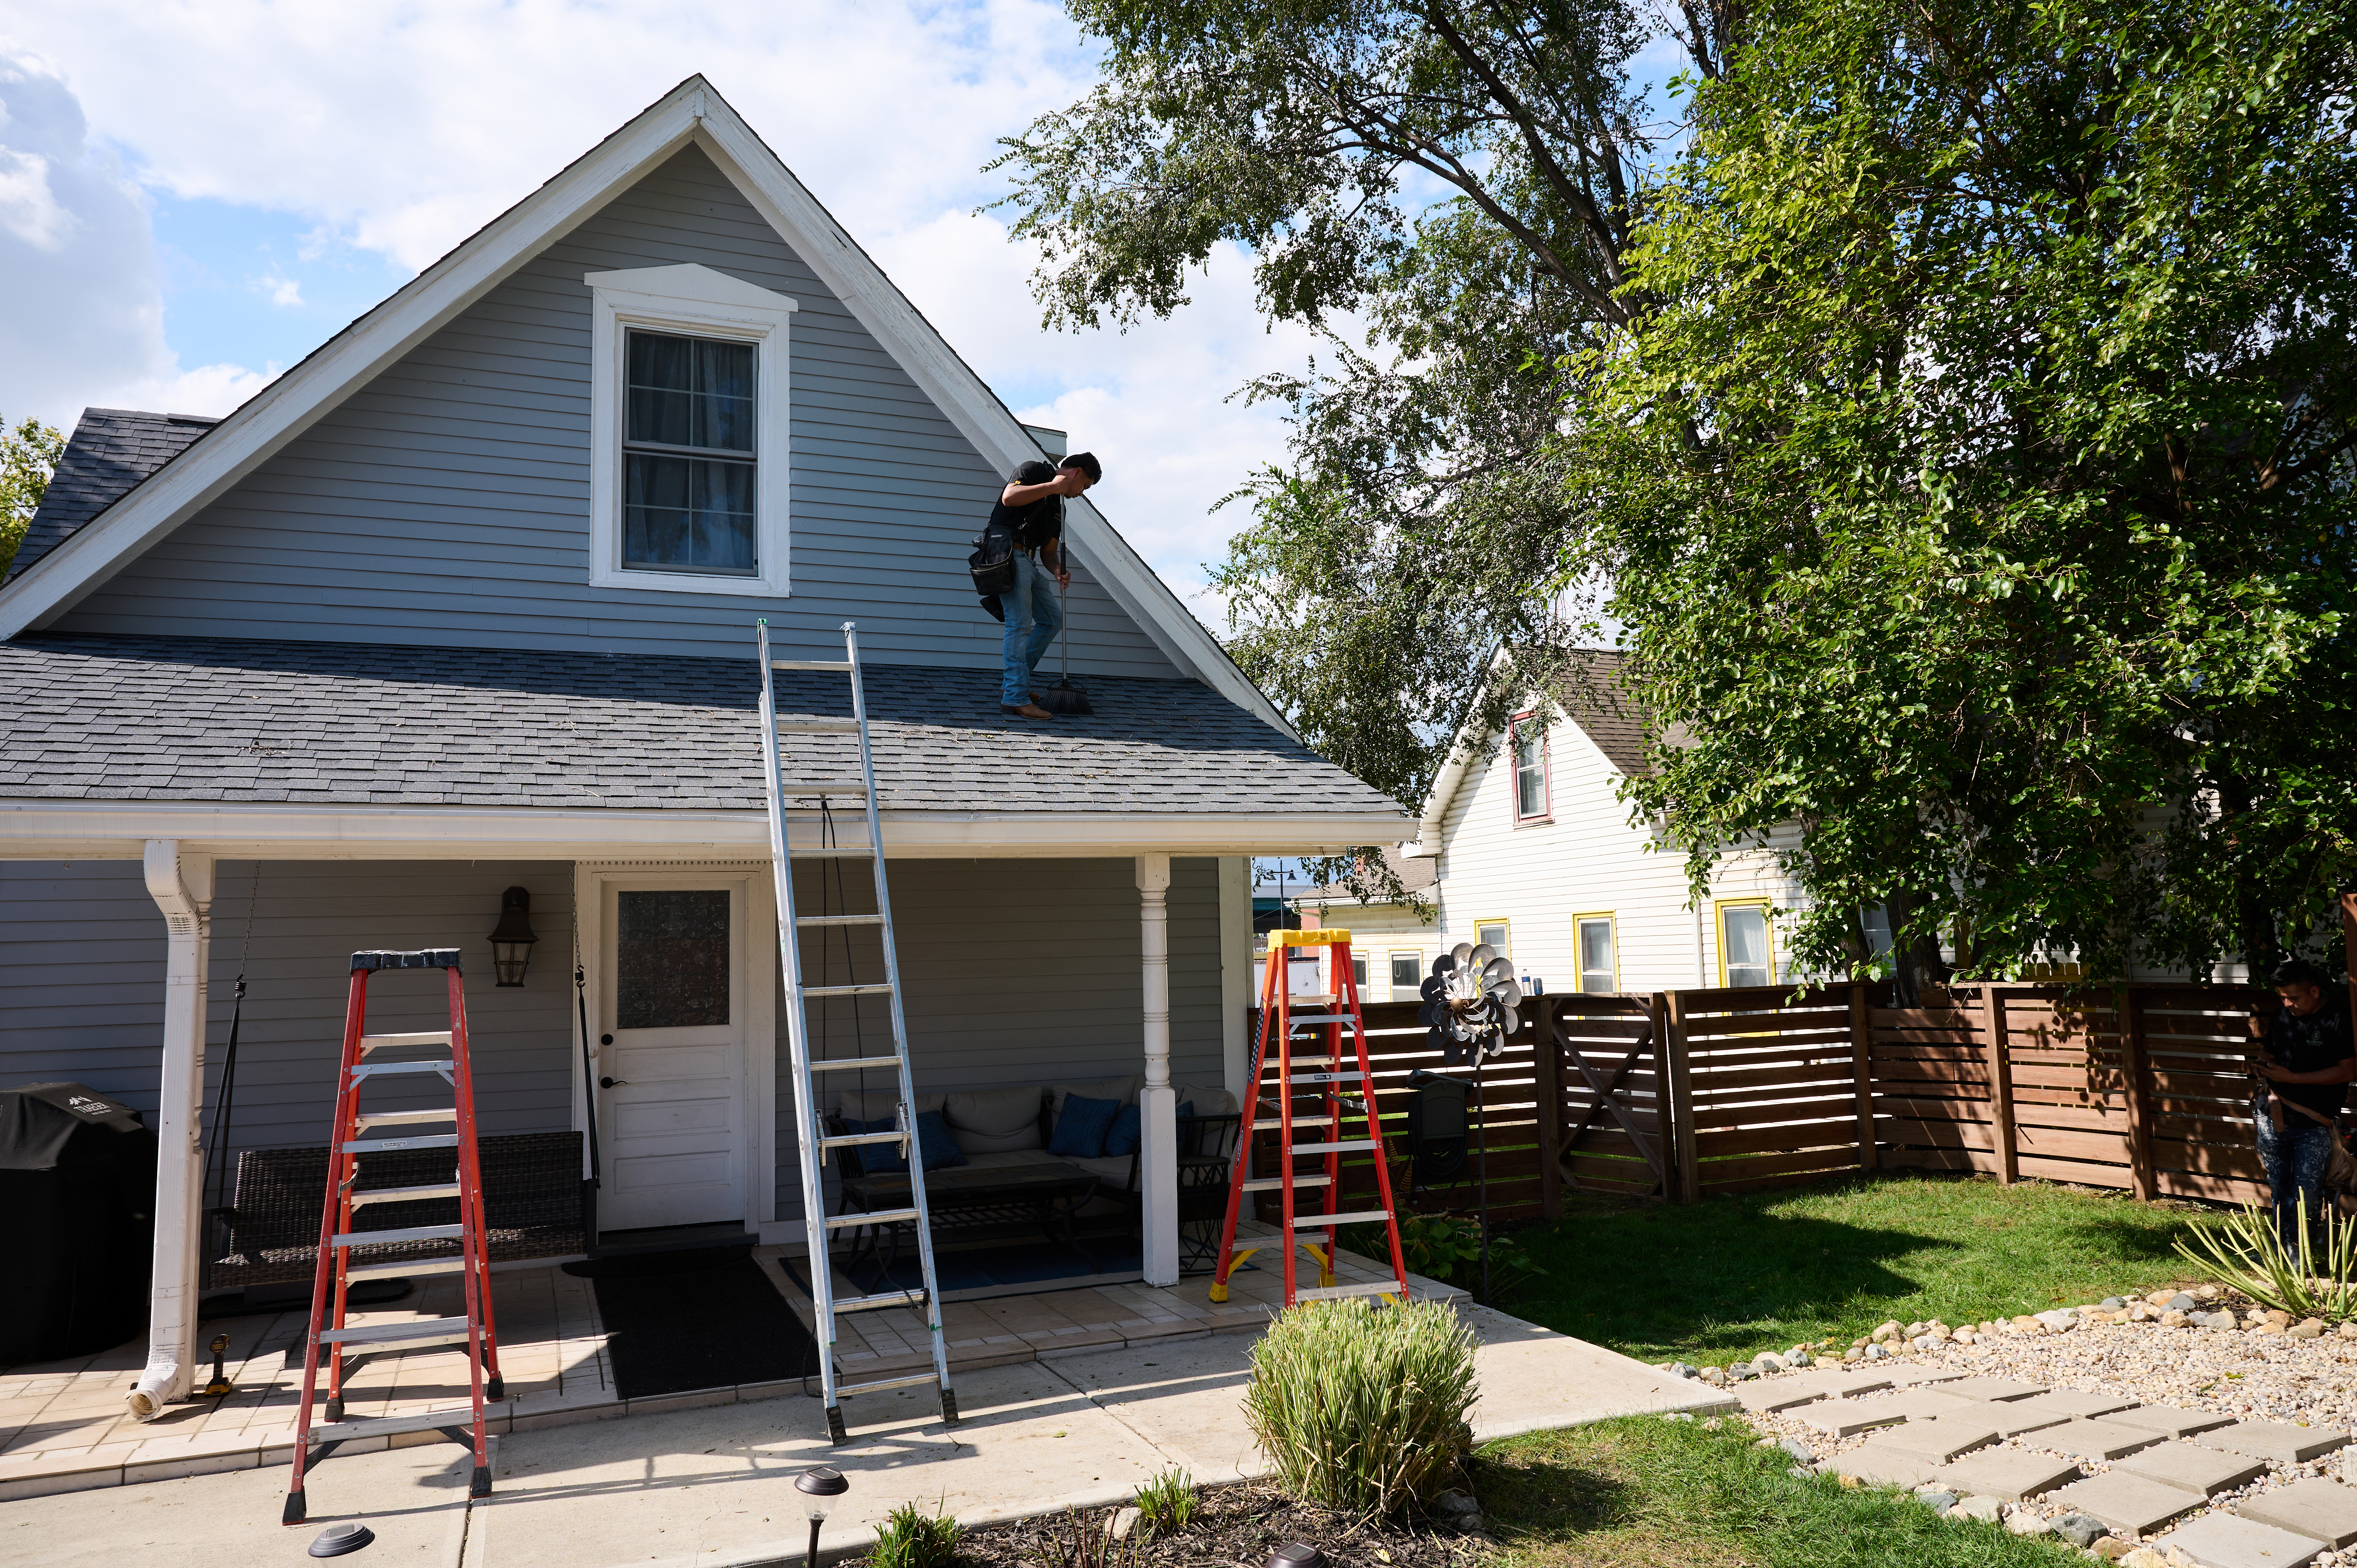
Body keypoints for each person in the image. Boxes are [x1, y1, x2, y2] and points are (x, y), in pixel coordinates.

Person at [2253, 957, 2357, 1251]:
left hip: (2315, 1124)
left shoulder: (2338, 1018)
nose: (2288, 1004)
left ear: (2314, 991)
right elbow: (2268, 1052)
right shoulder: (2282, 1015)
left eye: (2293, 997)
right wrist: (2261, 1067)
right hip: (2272, 1115)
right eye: (2283, 997)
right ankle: (2279, 1252)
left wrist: (2293, 1078)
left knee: (2307, 1194)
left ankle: (2302, 1254)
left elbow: (2349, 1071)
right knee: (2279, 1188)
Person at [988, 451, 1099, 719]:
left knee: (1052, 620)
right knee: (1020, 623)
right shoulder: (1033, 470)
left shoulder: (1058, 508)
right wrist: (1052, 487)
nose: (1082, 493)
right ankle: (1015, 696)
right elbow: (1009, 498)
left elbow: (1049, 553)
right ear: (1077, 472)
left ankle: (1014, 684)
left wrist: (1058, 569)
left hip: (1029, 561)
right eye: (1084, 486)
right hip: (1008, 555)